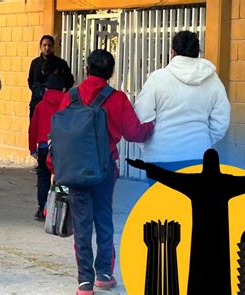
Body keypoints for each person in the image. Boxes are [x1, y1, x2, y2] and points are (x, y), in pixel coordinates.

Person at [49, 49, 154, 295]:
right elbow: (134, 133)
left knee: (82, 223)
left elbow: (59, 135)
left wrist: (55, 167)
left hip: (75, 169)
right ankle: (104, 274)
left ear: (86, 69)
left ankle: (84, 282)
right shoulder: (117, 99)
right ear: (111, 73)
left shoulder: (71, 96)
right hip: (105, 170)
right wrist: (152, 127)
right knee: (104, 220)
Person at [127, 149, 245, 295]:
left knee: (198, 269)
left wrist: (145, 167)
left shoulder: (193, 182)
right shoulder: (227, 182)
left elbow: (167, 176)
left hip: (200, 236)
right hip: (220, 235)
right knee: (220, 269)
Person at [134, 31, 231, 184]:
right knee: (192, 208)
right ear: (197, 52)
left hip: (160, 158)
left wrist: (148, 146)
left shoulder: (157, 79)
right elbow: (221, 120)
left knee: (161, 207)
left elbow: (141, 117)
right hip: (199, 156)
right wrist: (204, 140)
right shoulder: (213, 81)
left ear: (172, 52)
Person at [28, 74, 65, 220]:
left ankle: (42, 208)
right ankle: (60, 210)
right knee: (62, 178)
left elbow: (33, 128)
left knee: (43, 177)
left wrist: (32, 148)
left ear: (46, 89)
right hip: (63, 147)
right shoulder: (67, 105)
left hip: (44, 147)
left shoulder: (40, 106)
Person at [27, 35, 74, 120]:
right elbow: (30, 81)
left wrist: (63, 89)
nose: (47, 48)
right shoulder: (35, 63)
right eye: (44, 45)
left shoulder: (61, 63)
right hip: (37, 102)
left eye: (49, 45)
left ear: (53, 47)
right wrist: (38, 91)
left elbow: (70, 80)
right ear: (40, 46)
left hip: (56, 104)